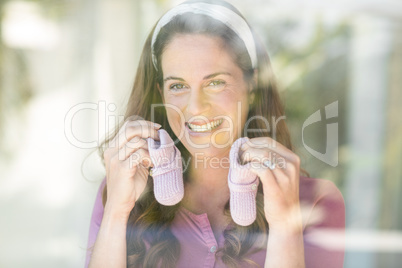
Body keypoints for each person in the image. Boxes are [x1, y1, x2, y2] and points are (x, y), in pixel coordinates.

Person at [85, 0, 345, 267]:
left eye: (216, 82)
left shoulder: (317, 202)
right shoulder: (121, 189)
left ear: (252, 86)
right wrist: (117, 212)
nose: (196, 107)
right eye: (177, 86)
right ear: (161, 93)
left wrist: (285, 228)